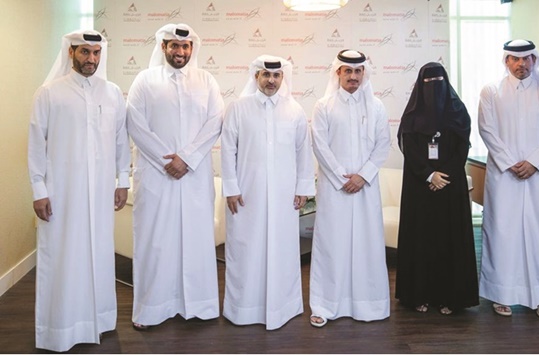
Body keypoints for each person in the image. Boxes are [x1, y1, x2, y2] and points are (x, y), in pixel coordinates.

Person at [28, 30, 130, 352]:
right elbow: (35, 144)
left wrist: (123, 180)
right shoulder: (49, 93)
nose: (92, 59)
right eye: (85, 52)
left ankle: (99, 320)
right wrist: (38, 189)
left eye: (96, 53)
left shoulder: (112, 93)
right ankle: (60, 328)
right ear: (71, 53)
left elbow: (120, 141)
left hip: (100, 193)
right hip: (62, 193)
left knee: (99, 255)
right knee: (62, 258)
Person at [126, 23, 225, 330]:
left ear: (191, 49)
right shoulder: (145, 80)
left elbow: (215, 121)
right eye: (174, 46)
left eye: (185, 46)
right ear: (164, 47)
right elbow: (136, 123)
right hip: (157, 177)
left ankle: (198, 306)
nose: (180, 51)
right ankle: (151, 309)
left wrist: (188, 158)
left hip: (194, 176)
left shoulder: (206, 80)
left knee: (196, 241)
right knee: (155, 243)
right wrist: (166, 160)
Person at [478, 39, 539, 319]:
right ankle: (501, 294)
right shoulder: (491, 92)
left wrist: (534, 162)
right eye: (515, 59)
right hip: (504, 175)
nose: (522, 64)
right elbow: (487, 130)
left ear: (535, 60)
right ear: (506, 61)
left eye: (527, 59)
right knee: (503, 233)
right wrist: (510, 163)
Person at [220, 55, 315, 330]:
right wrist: (231, 188)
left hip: (284, 195)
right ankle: (243, 309)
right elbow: (228, 150)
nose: (271, 81)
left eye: (276, 76)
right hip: (246, 194)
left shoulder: (294, 110)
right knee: (246, 249)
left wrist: (303, 189)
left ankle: (283, 307)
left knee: (283, 250)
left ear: (282, 78)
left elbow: (303, 151)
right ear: (256, 77)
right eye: (265, 75)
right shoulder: (238, 108)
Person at [309, 49, 391, 327]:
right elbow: (320, 145)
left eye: (358, 71)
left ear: (364, 74)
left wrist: (363, 176)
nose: (353, 76)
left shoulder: (377, 106)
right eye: (348, 71)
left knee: (367, 245)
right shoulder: (324, 105)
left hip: (366, 188)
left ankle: (368, 306)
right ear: (338, 73)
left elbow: (383, 145)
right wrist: (342, 178)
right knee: (332, 244)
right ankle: (324, 305)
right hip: (336, 189)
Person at [395, 62, 479, 315]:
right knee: (421, 241)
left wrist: (445, 175)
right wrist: (429, 175)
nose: (434, 88)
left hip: (450, 187)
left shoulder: (458, 111)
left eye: (438, 82)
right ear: (421, 85)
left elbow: (462, 148)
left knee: (449, 241)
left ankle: (450, 298)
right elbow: (409, 149)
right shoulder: (412, 115)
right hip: (420, 188)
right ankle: (418, 295)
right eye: (428, 83)